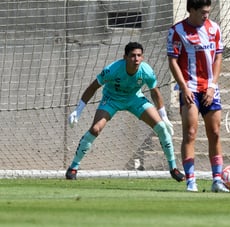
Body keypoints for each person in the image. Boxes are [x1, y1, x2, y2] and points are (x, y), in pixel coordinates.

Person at [66, 42, 185, 182]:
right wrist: (78, 111)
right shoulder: (112, 69)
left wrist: (164, 117)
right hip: (112, 99)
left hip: (135, 98)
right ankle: (73, 167)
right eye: (133, 56)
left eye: (139, 56)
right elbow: (93, 87)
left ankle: (173, 168)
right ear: (125, 57)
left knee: (161, 128)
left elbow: (155, 93)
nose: (136, 59)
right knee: (95, 129)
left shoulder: (146, 71)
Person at [167, 0, 229, 192]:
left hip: (210, 88)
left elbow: (218, 57)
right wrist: (183, 87)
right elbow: (173, 61)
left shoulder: (214, 28)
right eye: (202, 12)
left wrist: (212, 85)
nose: (206, 16)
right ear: (191, 10)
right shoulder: (177, 31)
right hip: (190, 89)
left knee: (215, 132)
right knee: (191, 133)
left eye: (208, 12)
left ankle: (217, 180)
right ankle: (191, 180)